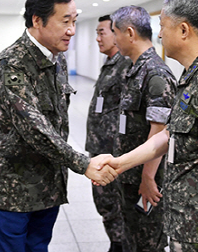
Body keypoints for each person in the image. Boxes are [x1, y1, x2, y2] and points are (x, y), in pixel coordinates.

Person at [104, 0, 198, 252]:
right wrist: (119, 163)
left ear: (183, 30)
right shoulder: (192, 78)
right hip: (187, 221)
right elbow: (167, 135)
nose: (159, 34)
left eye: (162, 26)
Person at [0, 0, 117, 252]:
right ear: (37, 20)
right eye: (65, 21)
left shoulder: (57, 58)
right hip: (11, 192)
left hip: (47, 187)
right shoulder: (12, 64)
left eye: (75, 21)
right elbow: (34, 127)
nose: (72, 31)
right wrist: (83, 163)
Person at [110, 5, 176, 252]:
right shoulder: (136, 68)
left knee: (147, 243)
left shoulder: (155, 73)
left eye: (115, 33)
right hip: (131, 176)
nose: (114, 40)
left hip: (147, 181)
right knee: (132, 239)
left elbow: (159, 131)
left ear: (129, 33)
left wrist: (148, 177)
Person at [86, 14, 132, 252]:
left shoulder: (126, 66)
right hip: (101, 149)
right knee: (104, 203)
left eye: (102, 32)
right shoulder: (110, 64)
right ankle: (116, 242)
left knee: (114, 203)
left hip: (113, 154)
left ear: (117, 33)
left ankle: (119, 244)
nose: (97, 38)